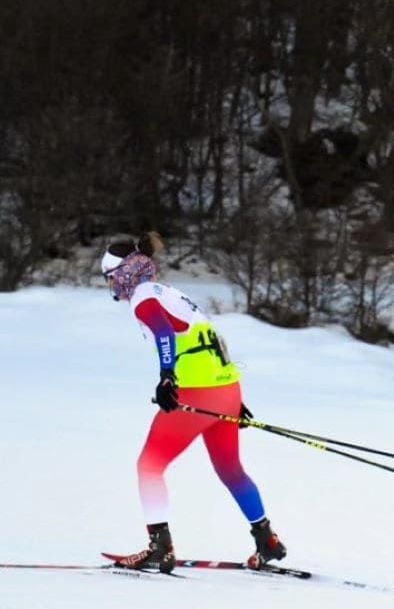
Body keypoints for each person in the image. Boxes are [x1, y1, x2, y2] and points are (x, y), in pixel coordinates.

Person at [101, 234, 287, 573]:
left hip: (197, 391)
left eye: (110, 278)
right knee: (231, 470)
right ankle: (267, 541)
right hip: (226, 388)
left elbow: (164, 334)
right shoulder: (173, 294)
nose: (112, 286)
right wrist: (233, 400)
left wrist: (167, 376)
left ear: (122, 273)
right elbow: (213, 337)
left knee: (150, 465)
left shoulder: (143, 297)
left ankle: (160, 547)